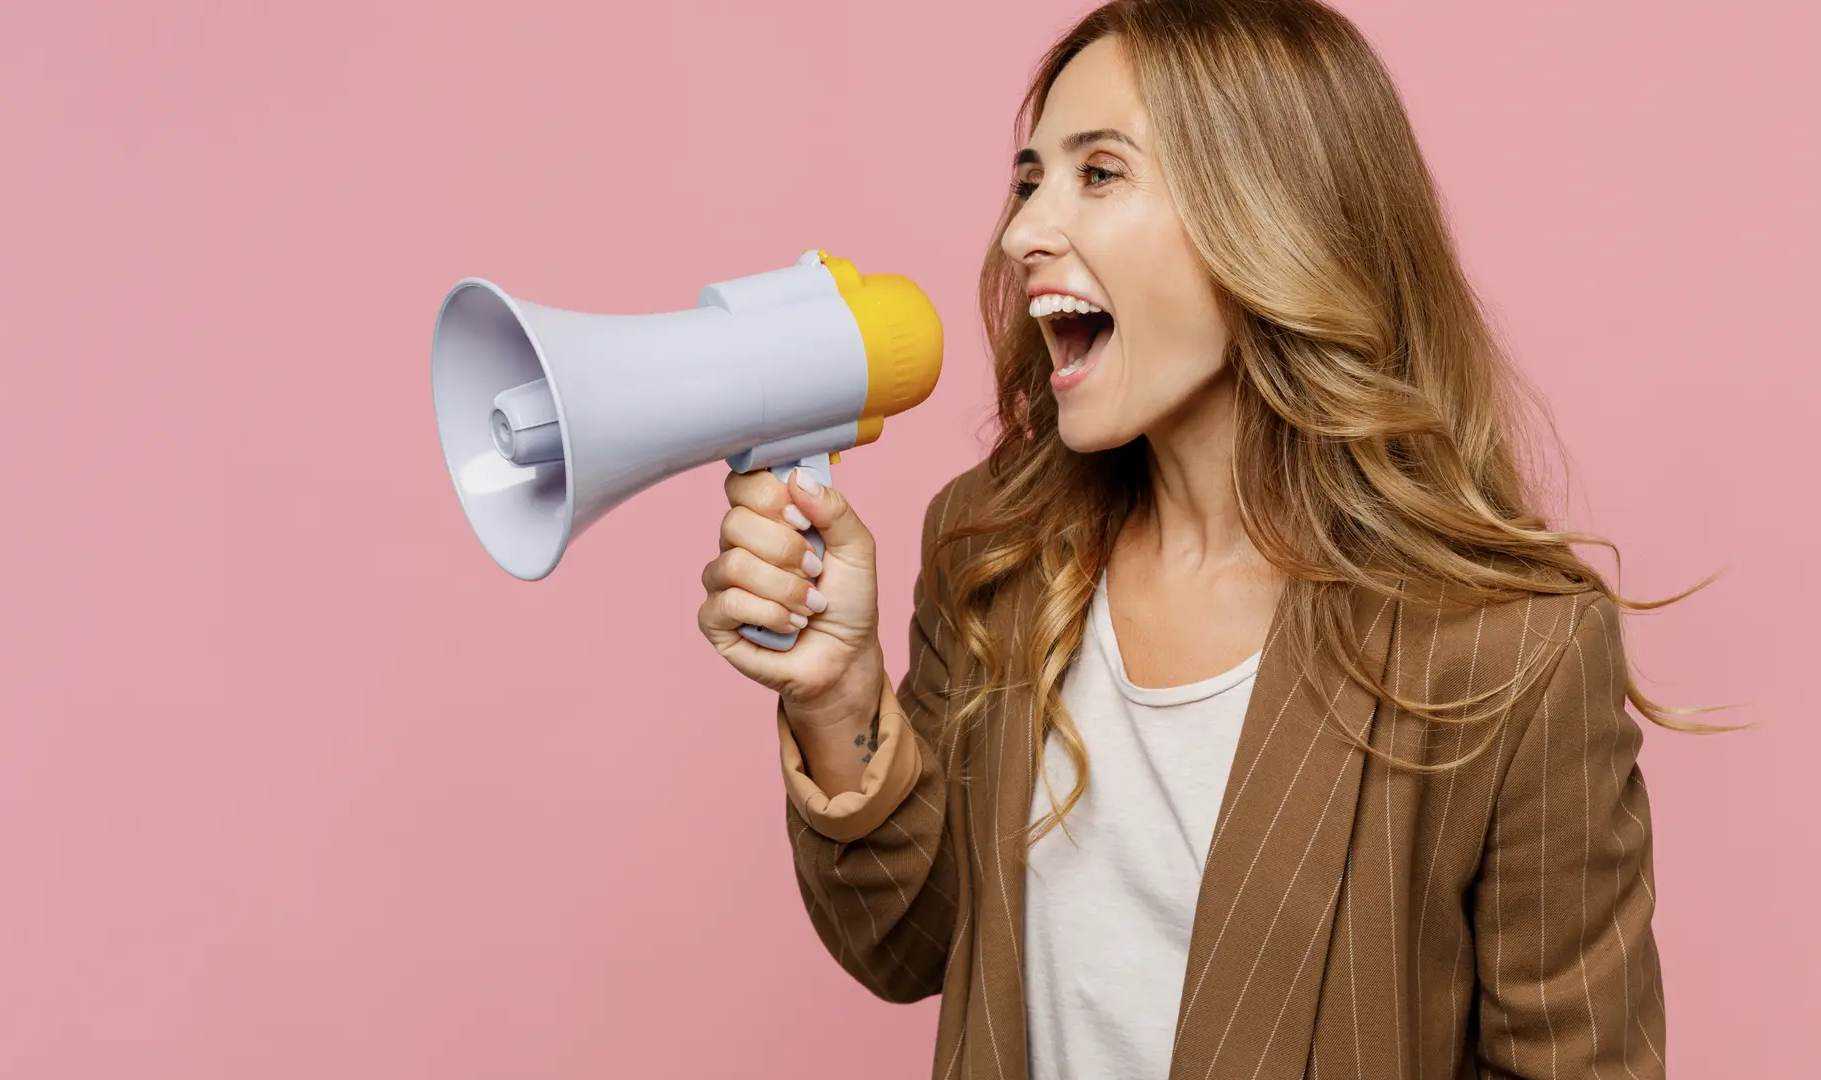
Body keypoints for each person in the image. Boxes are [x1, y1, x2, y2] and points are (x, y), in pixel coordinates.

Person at [697, 2, 1714, 1077]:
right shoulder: (993, 549)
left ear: (1274, 216)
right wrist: (840, 697)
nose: (1022, 233)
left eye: (1100, 173)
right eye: (1031, 179)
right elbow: (907, 942)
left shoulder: (1512, 650)